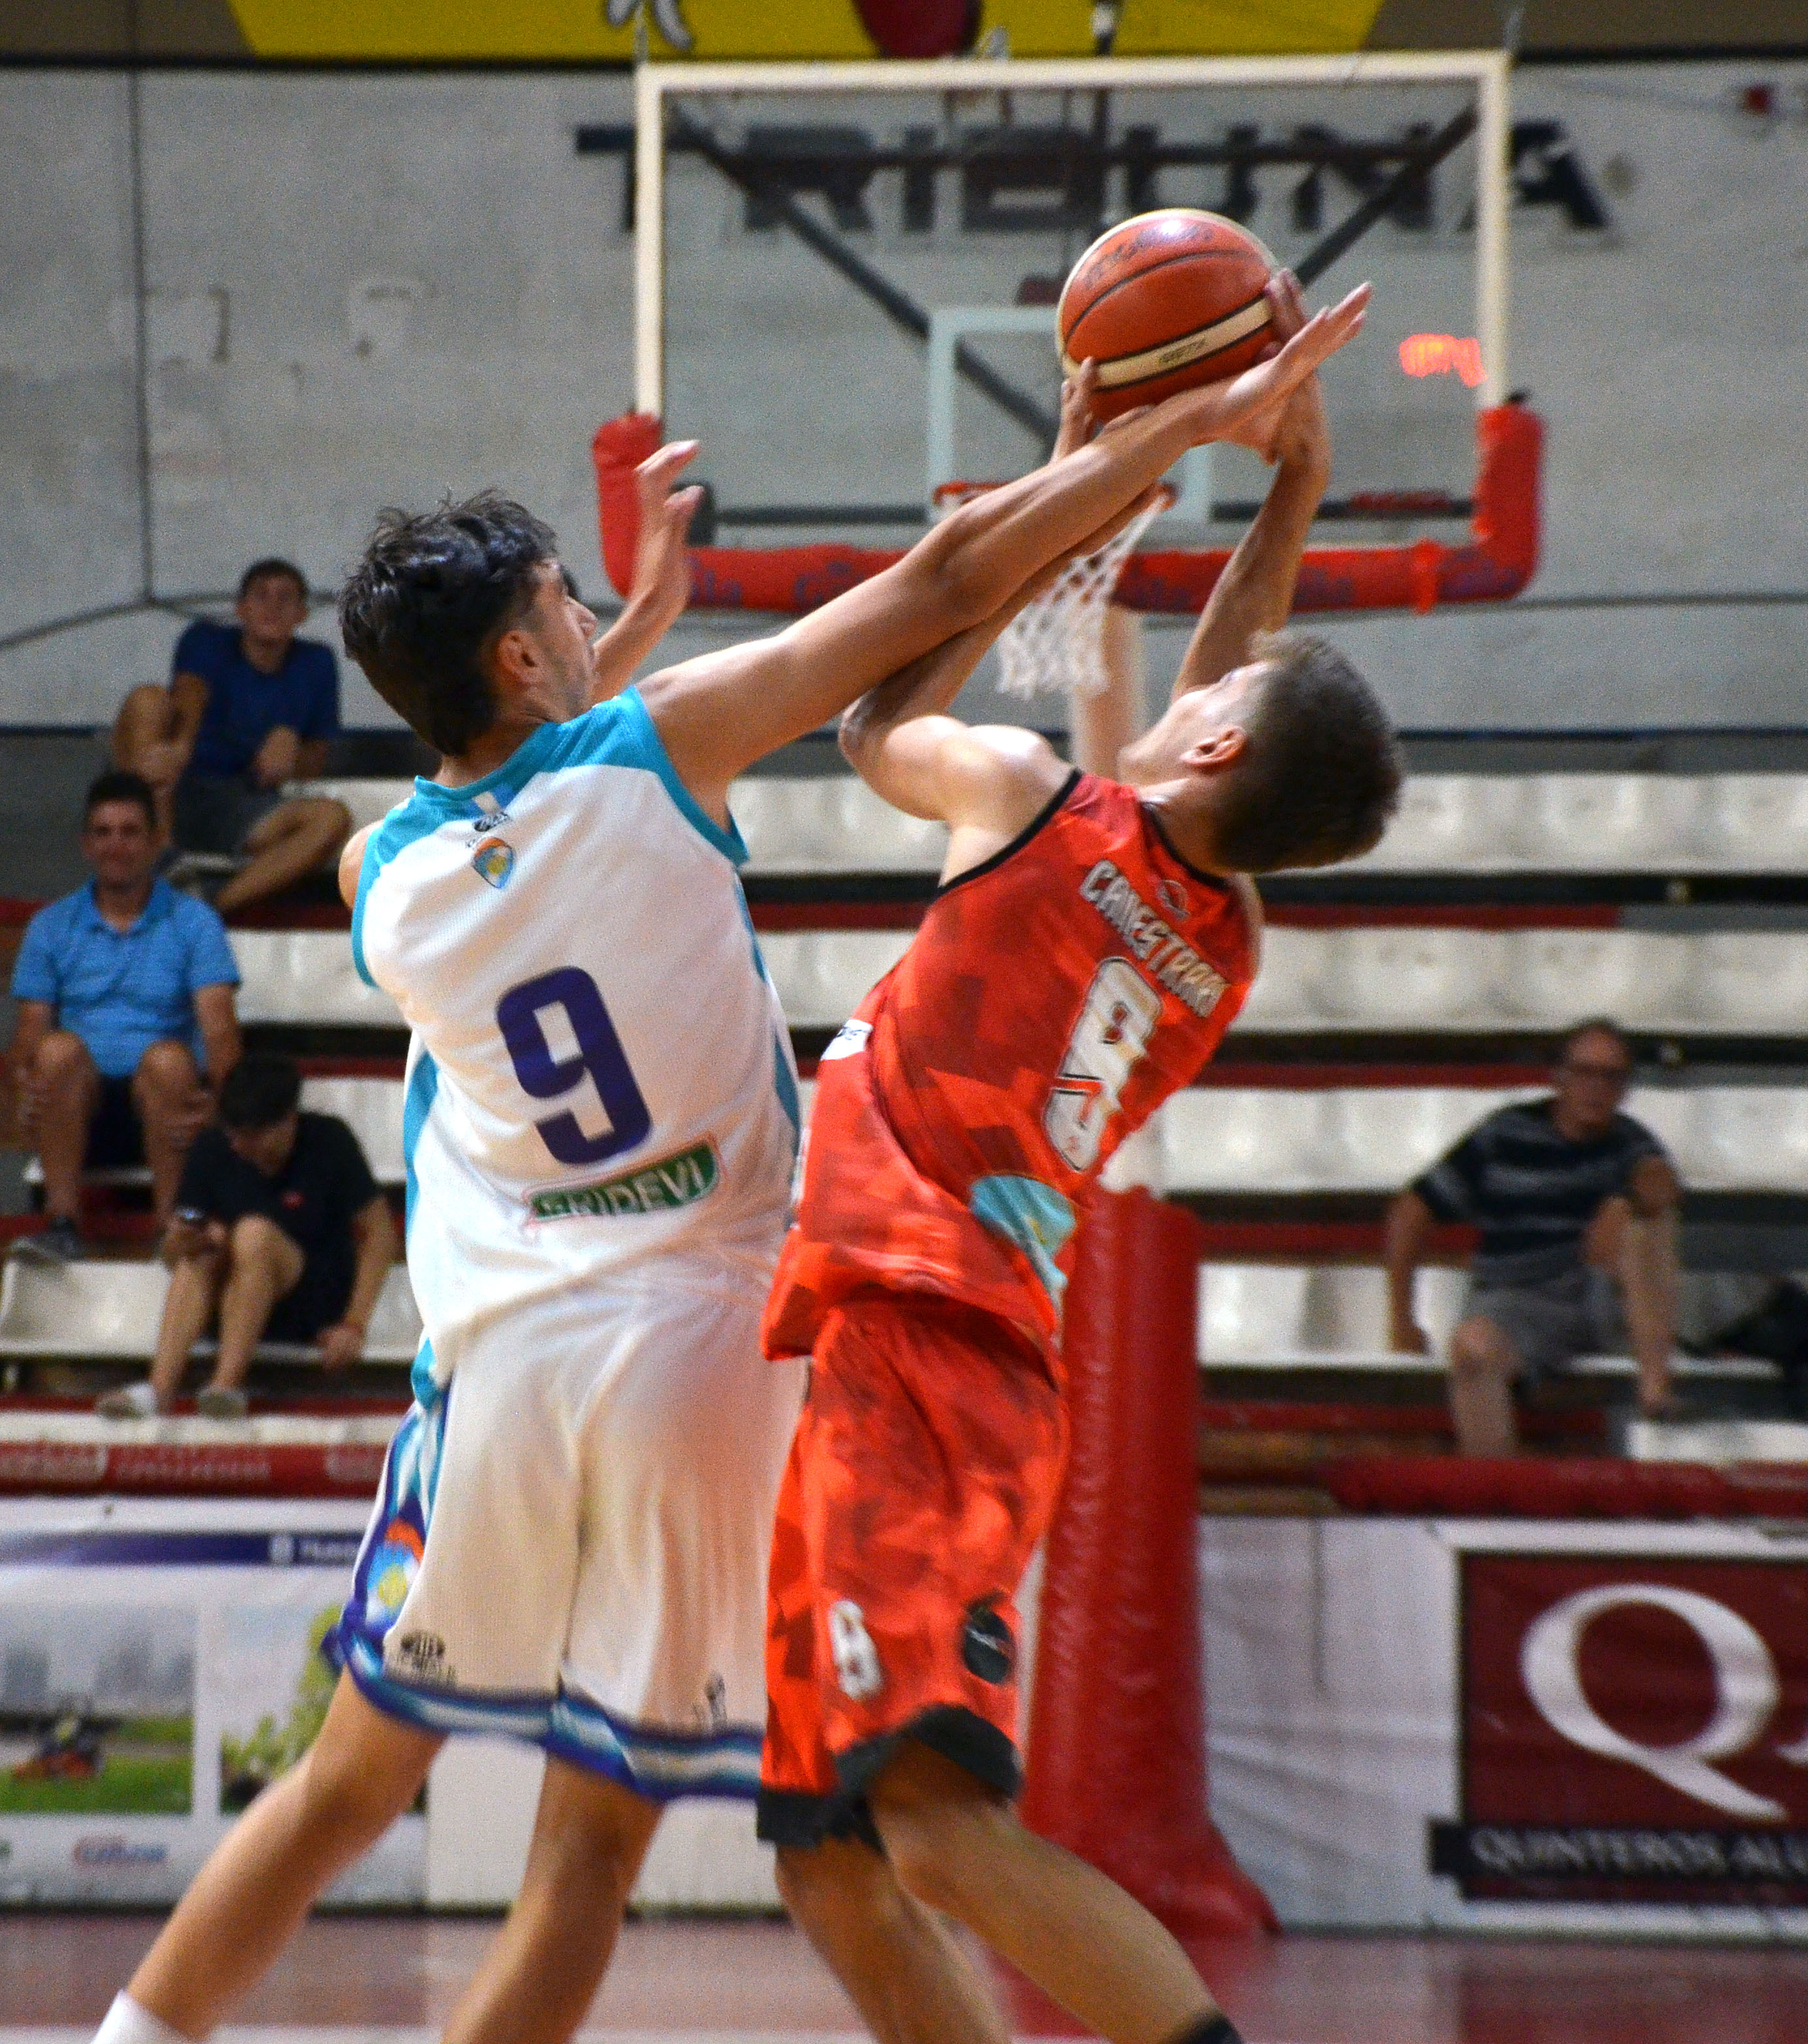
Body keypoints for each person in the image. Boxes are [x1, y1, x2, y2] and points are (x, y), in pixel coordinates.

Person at [87, 280, 1366, 2044]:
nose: (594, 613)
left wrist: (1109, 467)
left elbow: (553, 789)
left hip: (533, 1356)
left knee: (354, 1786)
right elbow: (950, 611)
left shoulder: (383, 882)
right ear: (539, 657)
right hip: (736, 1357)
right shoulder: (1206, 937)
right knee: (698, 1860)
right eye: (567, 604)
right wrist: (1179, 456)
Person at [757, 283, 1398, 2044]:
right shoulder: (1224, 931)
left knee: (943, 1839)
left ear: (1207, 745)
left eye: (1218, 690)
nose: (1205, 671)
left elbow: (865, 724)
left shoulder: (1033, 795)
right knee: (828, 1850)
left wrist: (1105, 465)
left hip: (921, 1335)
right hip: (951, 1343)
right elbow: (1227, 702)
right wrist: (1288, 490)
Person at [1385, 1017, 1682, 1453]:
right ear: (1558, 1077)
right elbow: (1411, 1211)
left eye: (1611, 1076)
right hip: (1518, 1300)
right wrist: (1401, 1320)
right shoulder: (1503, 1134)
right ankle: (1495, 1499)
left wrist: (1626, 1203)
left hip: (1601, 1298)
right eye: (1584, 1073)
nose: (1595, 1088)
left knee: (1646, 1227)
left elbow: (1660, 1183)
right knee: (1471, 1349)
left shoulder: (1628, 1140)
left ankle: (1655, 1388)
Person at [7, 770, 240, 1256]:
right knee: (55, 1051)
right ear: (86, 844)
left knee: (170, 1061)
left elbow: (219, 1029)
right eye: (104, 832)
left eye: (131, 832)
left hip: (167, 1105)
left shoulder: (196, 922)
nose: (117, 845)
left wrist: (223, 1107)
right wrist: (22, 1089)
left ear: (156, 842)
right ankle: (62, 1224)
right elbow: (29, 1038)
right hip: (78, 1109)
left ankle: (172, 1231)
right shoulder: (50, 926)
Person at [96, 1053, 395, 1421]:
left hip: (310, 1300)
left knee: (253, 1234)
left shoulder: (329, 1141)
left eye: (251, 1135)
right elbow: (174, 1257)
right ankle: (158, 1390)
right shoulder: (213, 1147)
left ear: (287, 1122)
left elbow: (379, 1234)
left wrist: (354, 1324)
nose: (238, 1145)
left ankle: (225, 1386)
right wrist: (180, 1242)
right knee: (204, 1251)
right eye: (232, 1133)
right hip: (226, 1301)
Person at [113, 559, 352, 913]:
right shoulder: (207, 640)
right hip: (174, 789)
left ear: (301, 614)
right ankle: (158, 856)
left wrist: (290, 757)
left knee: (331, 818)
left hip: (243, 802)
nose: (272, 606)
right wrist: (180, 747)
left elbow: (316, 757)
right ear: (241, 609)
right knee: (146, 700)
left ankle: (208, 910)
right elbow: (190, 693)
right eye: (261, 596)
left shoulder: (315, 663)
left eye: (285, 598)